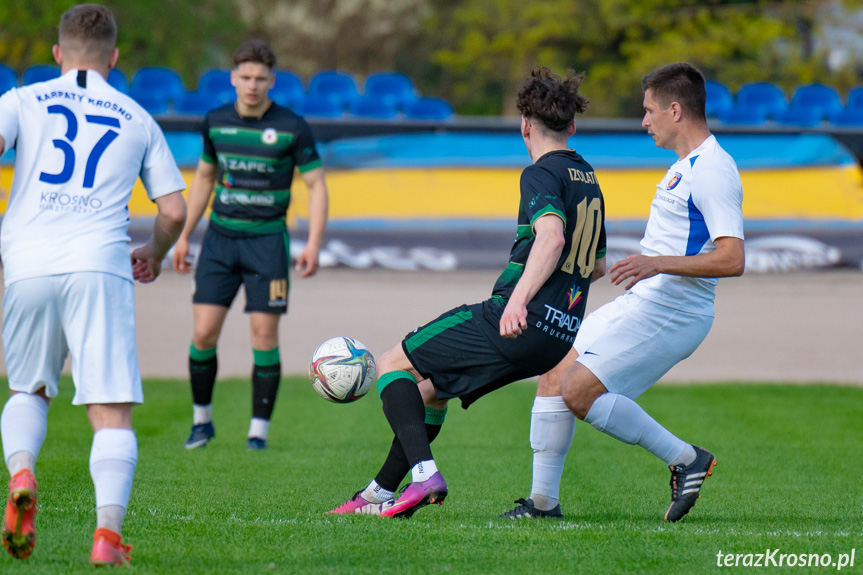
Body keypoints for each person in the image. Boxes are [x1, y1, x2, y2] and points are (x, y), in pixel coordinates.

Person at [329, 67, 607, 518]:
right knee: (432, 392)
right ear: (572, 126)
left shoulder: (540, 173)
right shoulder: (588, 177)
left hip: (516, 320)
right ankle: (379, 492)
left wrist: (518, 301)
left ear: (524, 126)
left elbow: (552, 238)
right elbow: (596, 266)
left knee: (391, 364)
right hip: (556, 338)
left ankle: (424, 475)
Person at [501, 62, 745, 522]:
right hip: (646, 301)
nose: (644, 121)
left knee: (578, 390)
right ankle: (542, 505)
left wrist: (656, 263)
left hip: (675, 310)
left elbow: (733, 258)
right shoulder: (684, 167)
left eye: (650, 111)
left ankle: (686, 458)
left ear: (676, 110)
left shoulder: (713, 170)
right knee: (554, 370)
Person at [0, 3, 187, 566]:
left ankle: (22, 473)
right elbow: (174, 210)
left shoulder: (22, 99)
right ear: (115, 57)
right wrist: (153, 253)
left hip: (27, 259)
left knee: (27, 388)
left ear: (57, 54)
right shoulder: (135, 116)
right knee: (111, 410)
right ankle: (107, 536)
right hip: (98, 264)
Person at [172, 39, 329, 451]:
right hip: (219, 241)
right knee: (204, 332)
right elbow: (204, 178)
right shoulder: (216, 121)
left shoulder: (293, 127)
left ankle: (258, 431)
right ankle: (201, 422)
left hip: (267, 243)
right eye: (245, 77)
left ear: (271, 81)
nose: (252, 85)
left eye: (260, 78)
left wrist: (312, 243)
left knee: (264, 335)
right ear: (233, 78)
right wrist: (184, 234)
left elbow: (316, 186)